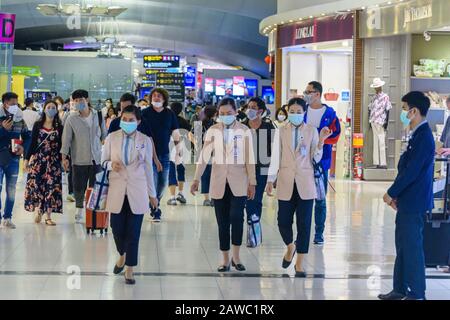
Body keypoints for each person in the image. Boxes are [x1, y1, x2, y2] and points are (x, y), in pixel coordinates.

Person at [379, 91, 434, 301]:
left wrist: (391, 193)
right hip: (407, 201)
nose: (402, 113)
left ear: (414, 111)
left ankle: (416, 293)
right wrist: (397, 197)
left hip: (415, 202)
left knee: (412, 248)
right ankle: (400, 289)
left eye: (404, 109)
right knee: (402, 246)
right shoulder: (416, 134)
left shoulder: (424, 137)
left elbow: (412, 171)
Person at [266, 98, 331, 276]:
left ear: (304, 112)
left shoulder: (311, 131)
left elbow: (315, 158)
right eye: (292, 111)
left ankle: (300, 264)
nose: (295, 114)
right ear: (288, 112)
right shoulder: (280, 131)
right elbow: (275, 157)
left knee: (304, 225)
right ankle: (290, 247)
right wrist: (270, 180)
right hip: (286, 180)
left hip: (305, 182)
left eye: (298, 111)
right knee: (282, 221)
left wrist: (321, 141)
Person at [191, 97, 256, 272]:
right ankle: (225, 258)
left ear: (236, 112)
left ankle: (236, 256)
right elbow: (204, 156)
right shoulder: (213, 130)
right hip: (218, 181)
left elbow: (250, 159)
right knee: (222, 222)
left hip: (239, 181)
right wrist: (196, 178)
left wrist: (253, 182)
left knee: (237, 217)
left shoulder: (244, 130)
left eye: (229, 113)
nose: (225, 116)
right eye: (222, 113)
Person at [102, 105, 158, 285]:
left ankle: (130, 269)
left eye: (131, 120)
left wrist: (152, 194)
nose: (127, 123)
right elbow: (103, 162)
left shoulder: (145, 140)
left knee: (133, 233)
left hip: (138, 189)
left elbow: (149, 168)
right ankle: (122, 255)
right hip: (116, 189)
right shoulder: (112, 138)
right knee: (117, 229)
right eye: (124, 120)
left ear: (138, 122)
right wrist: (111, 165)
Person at [303, 81, 341, 245]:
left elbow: (336, 134)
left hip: (322, 161)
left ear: (317, 94)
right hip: (302, 161)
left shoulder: (330, 114)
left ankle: (319, 233)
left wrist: (320, 140)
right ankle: (303, 231)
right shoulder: (301, 111)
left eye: (308, 91)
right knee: (303, 198)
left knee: (320, 198)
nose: (306, 94)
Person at [60, 89, 107, 223]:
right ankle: (79, 208)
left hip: (96, 158)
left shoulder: (98, 115)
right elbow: (66, 139)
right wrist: (64, 158)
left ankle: (92, 210)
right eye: (75, 101)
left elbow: (104, 135)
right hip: (79, 158)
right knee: (79, 186)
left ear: (87, 100)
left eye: (80, 100)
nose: (78, 103)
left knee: (95, 186)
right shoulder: (71, 118)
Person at [142, 88, 180, 223]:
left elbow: (175, 132)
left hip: (164, 154)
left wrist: (178, 147)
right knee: (152, 181)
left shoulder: (169, 114)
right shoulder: (144, 113)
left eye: (159, 96)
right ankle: (156, 209)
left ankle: (153, 202)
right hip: (147, 154)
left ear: (164, 99)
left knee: (163, 183)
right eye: (154, 96)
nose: (156, 98)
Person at [24, 100, 63, 226]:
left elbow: (62, 145)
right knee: (37, 186)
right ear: (44, 109)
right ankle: (38, 210)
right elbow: (32, 143)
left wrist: (64, 159)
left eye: (53, 107)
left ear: (56, 110)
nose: (51, 109)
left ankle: (48, 216)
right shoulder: (38, 125)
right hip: (38, 161)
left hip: (53, 162)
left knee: (51, 188)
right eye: (49, 107)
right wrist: (26, 159)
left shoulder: (59, 127)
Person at [108, 93, 162, 175]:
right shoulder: (115, 123)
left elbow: (150, 140)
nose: (124, 111)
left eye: (127, 108)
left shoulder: (142, 122)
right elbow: (109, 143)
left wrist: (155, 158)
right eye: (122, 108)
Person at [0, 92, 31, 228]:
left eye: (17, 104)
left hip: (13, 158)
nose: (15, 107)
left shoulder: (19, 118)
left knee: (11, 189)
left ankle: (7, 217)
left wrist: (23, 147)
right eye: (12, 104)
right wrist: (3, 130)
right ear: (5, 104)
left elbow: (27, 136)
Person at [244, 97, 275, 225]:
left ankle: (254, 227)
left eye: (253, 108)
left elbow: (274, 151)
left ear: (260, 111)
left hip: (262, 169)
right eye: (249, 107)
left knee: (255, 199)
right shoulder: (242, 127)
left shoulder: (268, 127)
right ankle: (252, 225)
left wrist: (273, 176)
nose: (250, 110)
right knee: (245, 199)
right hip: (243, 169)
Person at [189, 105, 217, 206]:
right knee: (213, 175)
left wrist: (195, 144)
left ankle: (207, 198)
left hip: (202, 152)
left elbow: (190, 134)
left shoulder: (199, 124)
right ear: (215, 114)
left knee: (205, 175)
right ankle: (213, 198)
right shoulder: (217, 124)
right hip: (214, 154)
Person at [167, 102, 191, 206]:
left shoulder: (168, 120)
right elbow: (189, 134)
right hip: (182, 147)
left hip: (170, 146)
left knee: (171, 171)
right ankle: (180, 194)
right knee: (181, 170)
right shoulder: (184, 121)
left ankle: (172, 197)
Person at [369, 78, 392, 169]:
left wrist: (386, 122)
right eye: (375, 87)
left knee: (381, 141)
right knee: (375, 141)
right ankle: (376, 162)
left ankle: (383, 163)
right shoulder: (374, 97)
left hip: (381, 121)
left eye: (377, 87)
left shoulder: (385, 97)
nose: (376, 89)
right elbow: (370, 109)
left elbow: (388, 109)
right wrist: (369, 121)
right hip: (373, 121)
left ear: (381, 86)